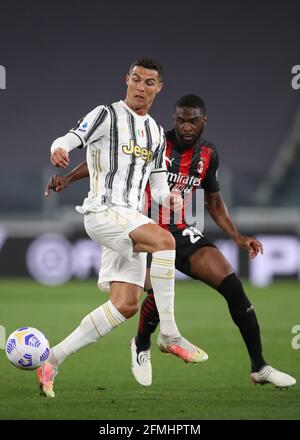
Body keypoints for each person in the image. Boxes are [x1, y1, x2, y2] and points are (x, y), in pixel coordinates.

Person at [46, 94, 296, 389]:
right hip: (141, 227)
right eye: (180, 120)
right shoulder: (154, 139)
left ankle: (260, 367)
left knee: (232, 285)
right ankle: (143, 345)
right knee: (139, 298)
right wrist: (69, 178)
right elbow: (109, 161)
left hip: (179, 230)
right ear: (173, 119)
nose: (186, 126)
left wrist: (237, 236)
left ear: (204, 121)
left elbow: (214, 201)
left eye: (192, 121)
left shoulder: (208, 155)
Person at [39, 61, 208, 398]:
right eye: (135, 79)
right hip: (102, 211)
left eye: (148, 82)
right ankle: (170, 335)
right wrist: (58, 149)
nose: (140, 87)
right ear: (126, 80)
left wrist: (171, 199)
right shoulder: (106, 115)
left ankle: (52, 360)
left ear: (159, 88)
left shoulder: (157, 134)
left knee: (125, 305)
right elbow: (71, 137)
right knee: (163, 242)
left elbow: (158, 188)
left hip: (128, 218)